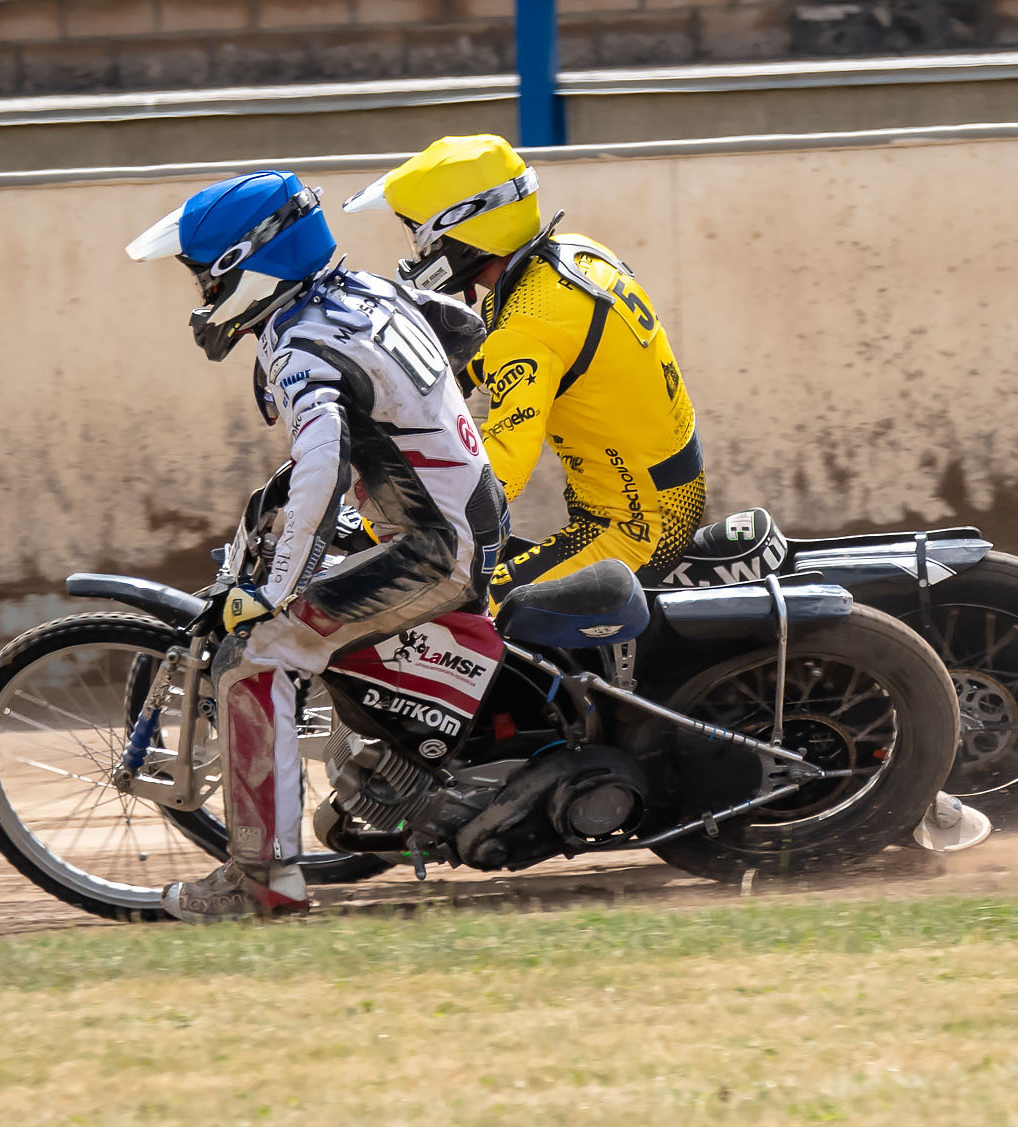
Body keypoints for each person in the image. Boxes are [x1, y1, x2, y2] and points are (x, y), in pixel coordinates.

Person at [127, 170, 507, 921]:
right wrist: (414, 424)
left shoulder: (297, 339)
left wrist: (273, 589)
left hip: (435, 547)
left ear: (247, 263)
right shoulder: (363, 290)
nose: (203, 294)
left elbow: (323, 460)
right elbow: (463, 332)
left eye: (205, 277)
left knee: (258, 653)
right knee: (303, 620)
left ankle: (261, 883)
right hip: (469, 513)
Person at [343, 135, 706, 598]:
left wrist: (393, 505)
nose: (418, 255)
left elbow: (499, 477)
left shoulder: (528, 327)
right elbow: (494, 356)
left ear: (463, 231)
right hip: (657, 498)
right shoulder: (568, 257)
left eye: (421, 236)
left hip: (633, 526)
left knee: (479, 611)